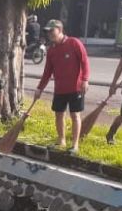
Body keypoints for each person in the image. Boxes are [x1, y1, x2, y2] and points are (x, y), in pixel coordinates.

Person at [33, 19, 90, 154]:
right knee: (59, 114)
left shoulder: (74, 43)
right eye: (48, 32)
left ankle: (75, 145)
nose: (49, 34)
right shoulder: (51, 50)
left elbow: (85, 62)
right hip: (60, 89)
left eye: (52, 31)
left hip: (76, 87)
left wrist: (85, 80)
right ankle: (61, 140)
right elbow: (47, 72)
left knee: (75, 115)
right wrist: (39, 88)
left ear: (60, 30)